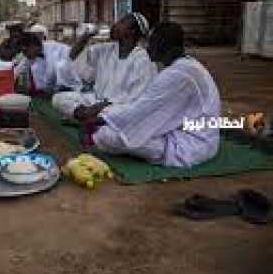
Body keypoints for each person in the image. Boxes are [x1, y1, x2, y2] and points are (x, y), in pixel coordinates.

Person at [84, 22, 221, 167]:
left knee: (108, 136)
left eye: (152, 42)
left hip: (190, 145)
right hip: (184, 131)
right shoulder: (186, 66)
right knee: (117, 122)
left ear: (166, 46)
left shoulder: (178, 75)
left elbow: (142, 111)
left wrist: (102, 120)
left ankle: (95, 137)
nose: (147, 47)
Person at [52, 13, 157, 121]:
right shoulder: (106, 49)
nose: (115, 25)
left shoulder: (141, 58)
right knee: (58, 99)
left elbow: (136, 97)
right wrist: (87, 35)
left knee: (120, 113)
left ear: (132, 32)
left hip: (115, 106)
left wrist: (102, 106)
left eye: (121, 23)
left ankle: (88, 118)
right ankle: (90, 117)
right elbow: (72, 55)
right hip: (95, 100)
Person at [14, 32, 82, 97]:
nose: (25, 55)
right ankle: (47, 93)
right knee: (35, 68)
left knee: (61, 65)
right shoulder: (31, 57)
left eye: (25, 51)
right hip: (51, 89)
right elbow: (18, 70)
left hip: (70, 86)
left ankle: (64, 92)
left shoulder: (57, 48)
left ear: (34, 46)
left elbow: (69, 61)